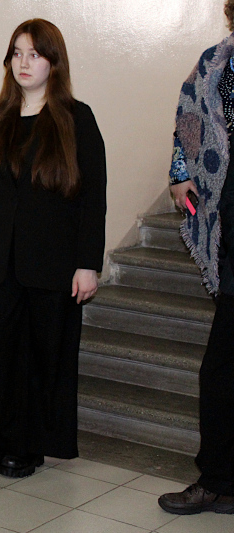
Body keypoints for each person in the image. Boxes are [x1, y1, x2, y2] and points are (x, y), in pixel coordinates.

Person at [0, 19, 107, 478]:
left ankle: (30, 443)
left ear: (53, 63)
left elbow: (93, 198)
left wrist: (88, 264)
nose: (24, 63)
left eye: (34, 54)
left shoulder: (77, 119)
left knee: (44, 354)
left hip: (54, 262)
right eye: (17, 53)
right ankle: (4, 434)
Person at [158, 1, 234, 516]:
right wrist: (181, 175)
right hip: (227, 215)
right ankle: (218, 481)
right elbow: (186, 121)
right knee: (220, 372)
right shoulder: (213, 63)